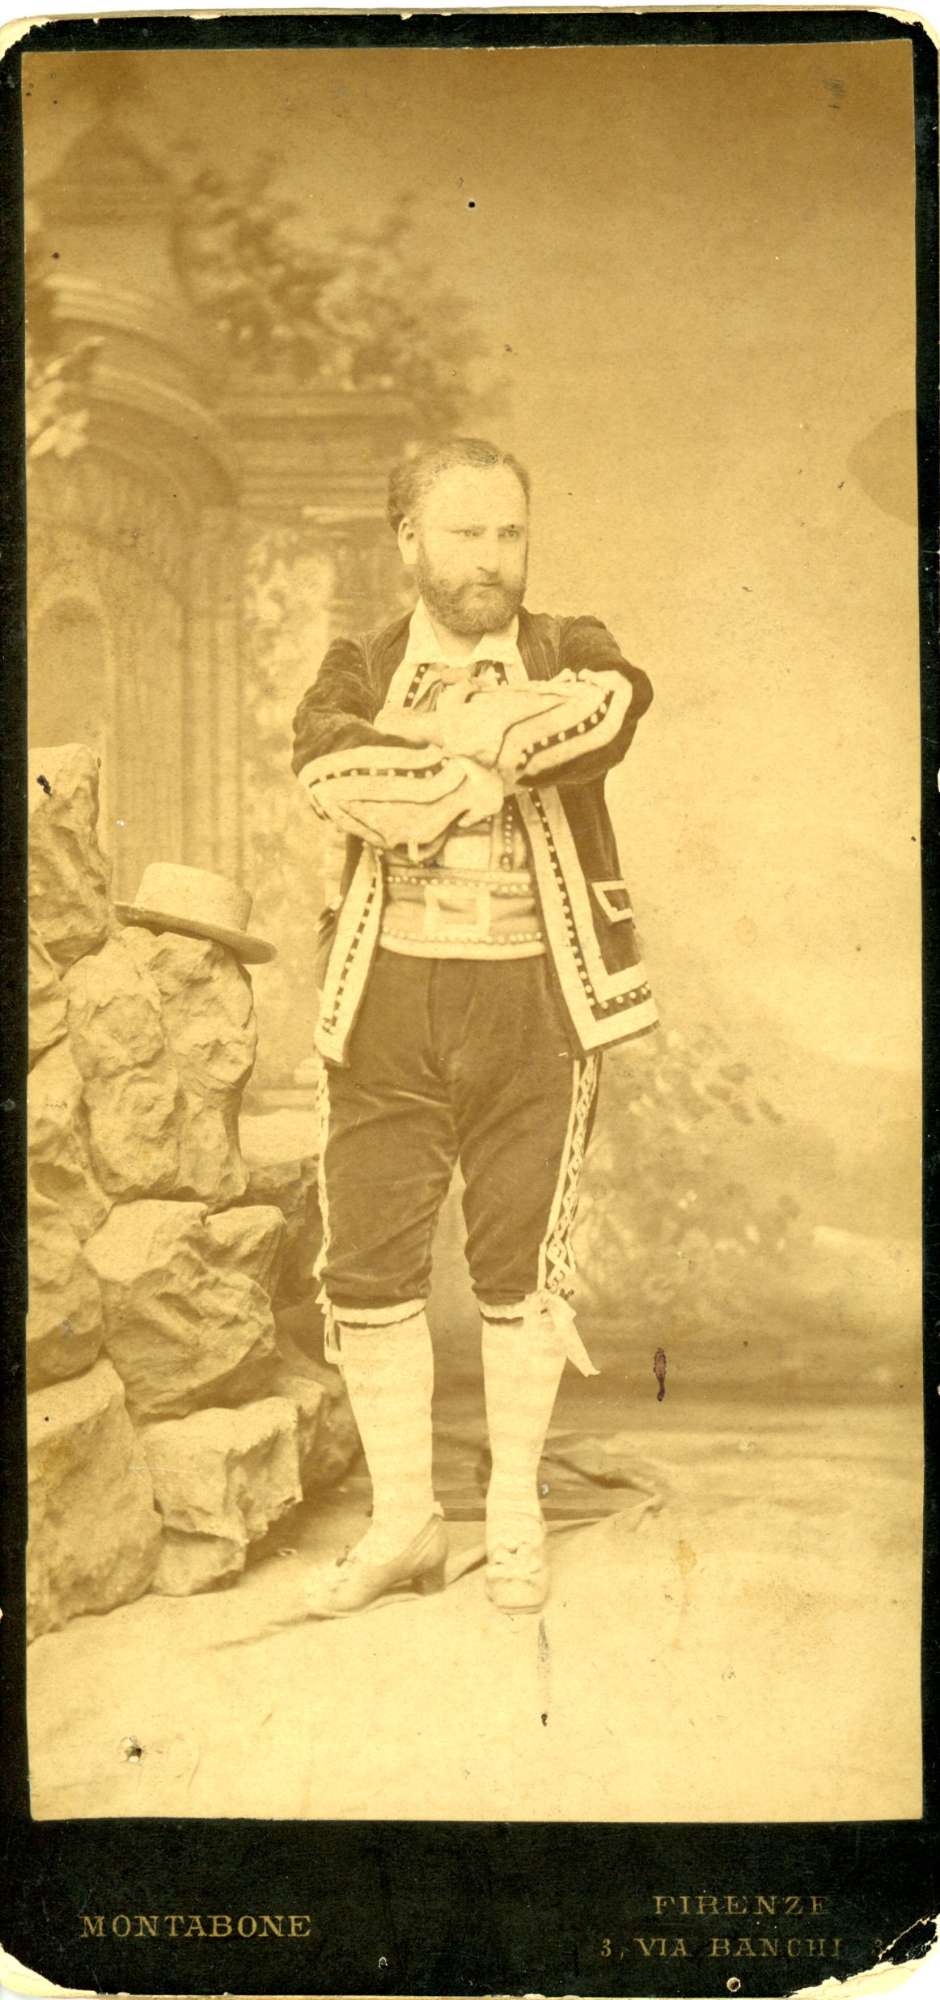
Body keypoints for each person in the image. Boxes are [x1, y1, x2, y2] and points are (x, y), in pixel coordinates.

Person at [291, 436, 656, 1616]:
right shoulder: (360, 663)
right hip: (386, 1000)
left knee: (519, 1268)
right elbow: (329, 771)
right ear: (407, 540)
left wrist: (472, 737)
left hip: (533, 1000)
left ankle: (510, 1512)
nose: (492, 558)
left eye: (509, 532)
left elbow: (611, 706)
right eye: (465, 533)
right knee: (366, 1267)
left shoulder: (566, 646)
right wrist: (479, 763)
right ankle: (404, 1521)